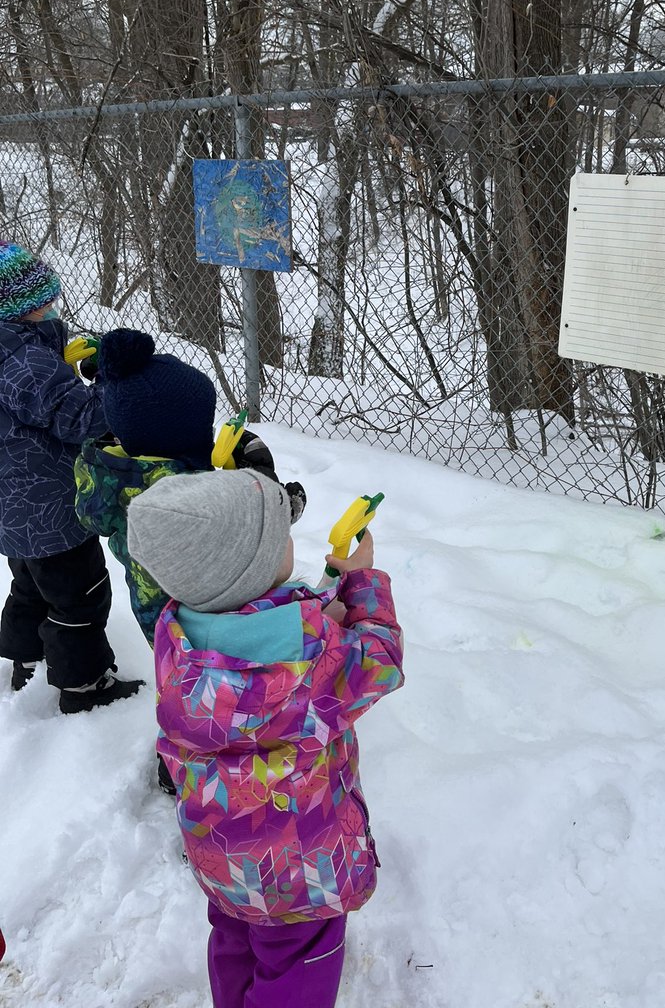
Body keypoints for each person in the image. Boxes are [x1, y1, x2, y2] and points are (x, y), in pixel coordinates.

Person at [127, 469, 403, 1008]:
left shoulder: (175, 633)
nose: (291, 542)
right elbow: (382, 662)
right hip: (299, 874)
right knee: (299, 967)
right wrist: (363, 582)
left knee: (234, 942)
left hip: (221, 854)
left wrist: (324, 596)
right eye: (280, 539)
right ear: (247, 573)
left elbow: (264, 631)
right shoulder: (315, 660)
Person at [74, 327, 304, 792]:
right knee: (219, 688)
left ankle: (173, 758)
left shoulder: (104, 469)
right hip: (208, 605)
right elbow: (259, 524)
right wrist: (261, 474)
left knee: (178, 683)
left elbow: (92, 517)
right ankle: (224, 759)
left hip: (151, 609)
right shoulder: (188, 487)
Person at [0, 241, 142, 712]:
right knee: (81, 594)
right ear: (18, 309)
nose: (52, 304)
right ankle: (84, 685)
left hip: (13, 512)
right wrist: (107, 379)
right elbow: (83, 419)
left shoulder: (22, 351)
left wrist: (59, 354)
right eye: (43, 299)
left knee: (29, 584)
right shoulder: (25, 364)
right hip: (51, 509)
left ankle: (26, 658)